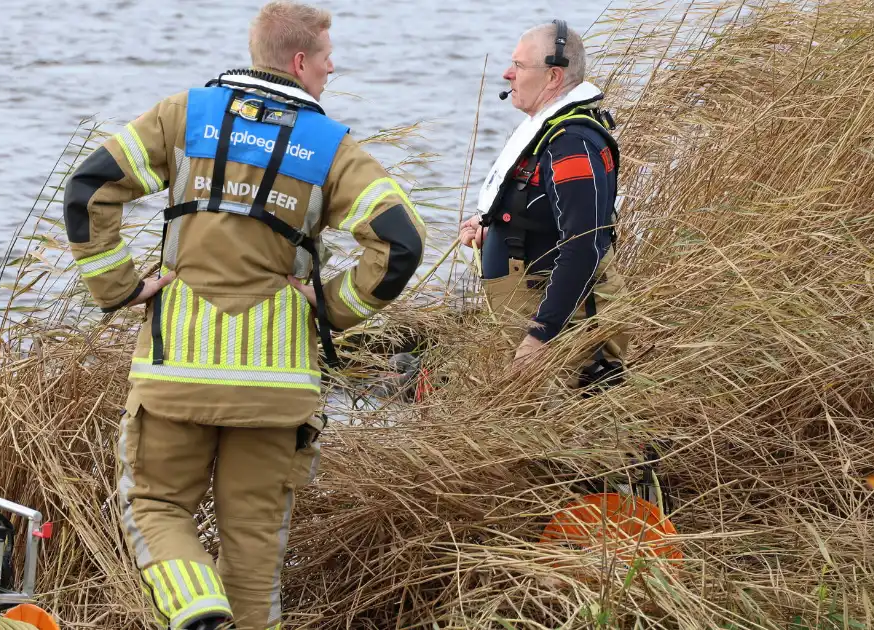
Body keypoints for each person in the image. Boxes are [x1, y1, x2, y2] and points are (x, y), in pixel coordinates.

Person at [61, 2, 427, 628]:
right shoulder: (331, 146)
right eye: (328, 58)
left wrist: (120, 287)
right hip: (277, 389)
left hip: (176, 374)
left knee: (154, 507)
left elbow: (88, 188)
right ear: (300, 61)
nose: (332, 69)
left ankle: (197, 610)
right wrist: (333, 306)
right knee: (255, 551)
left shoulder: (183, 115)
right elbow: (402, 241)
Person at [458, 19, 628, 391]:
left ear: (553, 77)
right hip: (533, 314)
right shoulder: (549, 132)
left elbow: (583, 246)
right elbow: (542, 209)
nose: (507, 74)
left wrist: (540, 335)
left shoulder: (572, 145)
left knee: (574, 424)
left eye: (518, 66)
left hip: (568, 330)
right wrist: (494, 226)